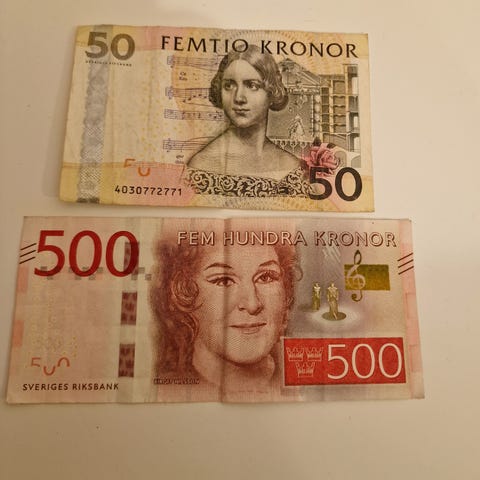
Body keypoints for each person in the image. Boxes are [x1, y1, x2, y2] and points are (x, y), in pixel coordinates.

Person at [149, 230, 299, 400]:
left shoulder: (299, 376)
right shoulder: (164, 390)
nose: (252, 304)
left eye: (266, 277)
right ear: (184, 291)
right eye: (224, 280)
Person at [186, 45, 310, 197]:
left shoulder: (292, 166)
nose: (239, 98)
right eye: (229, 85)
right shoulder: (201, 165)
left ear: (272, 92)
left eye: (252, 85)